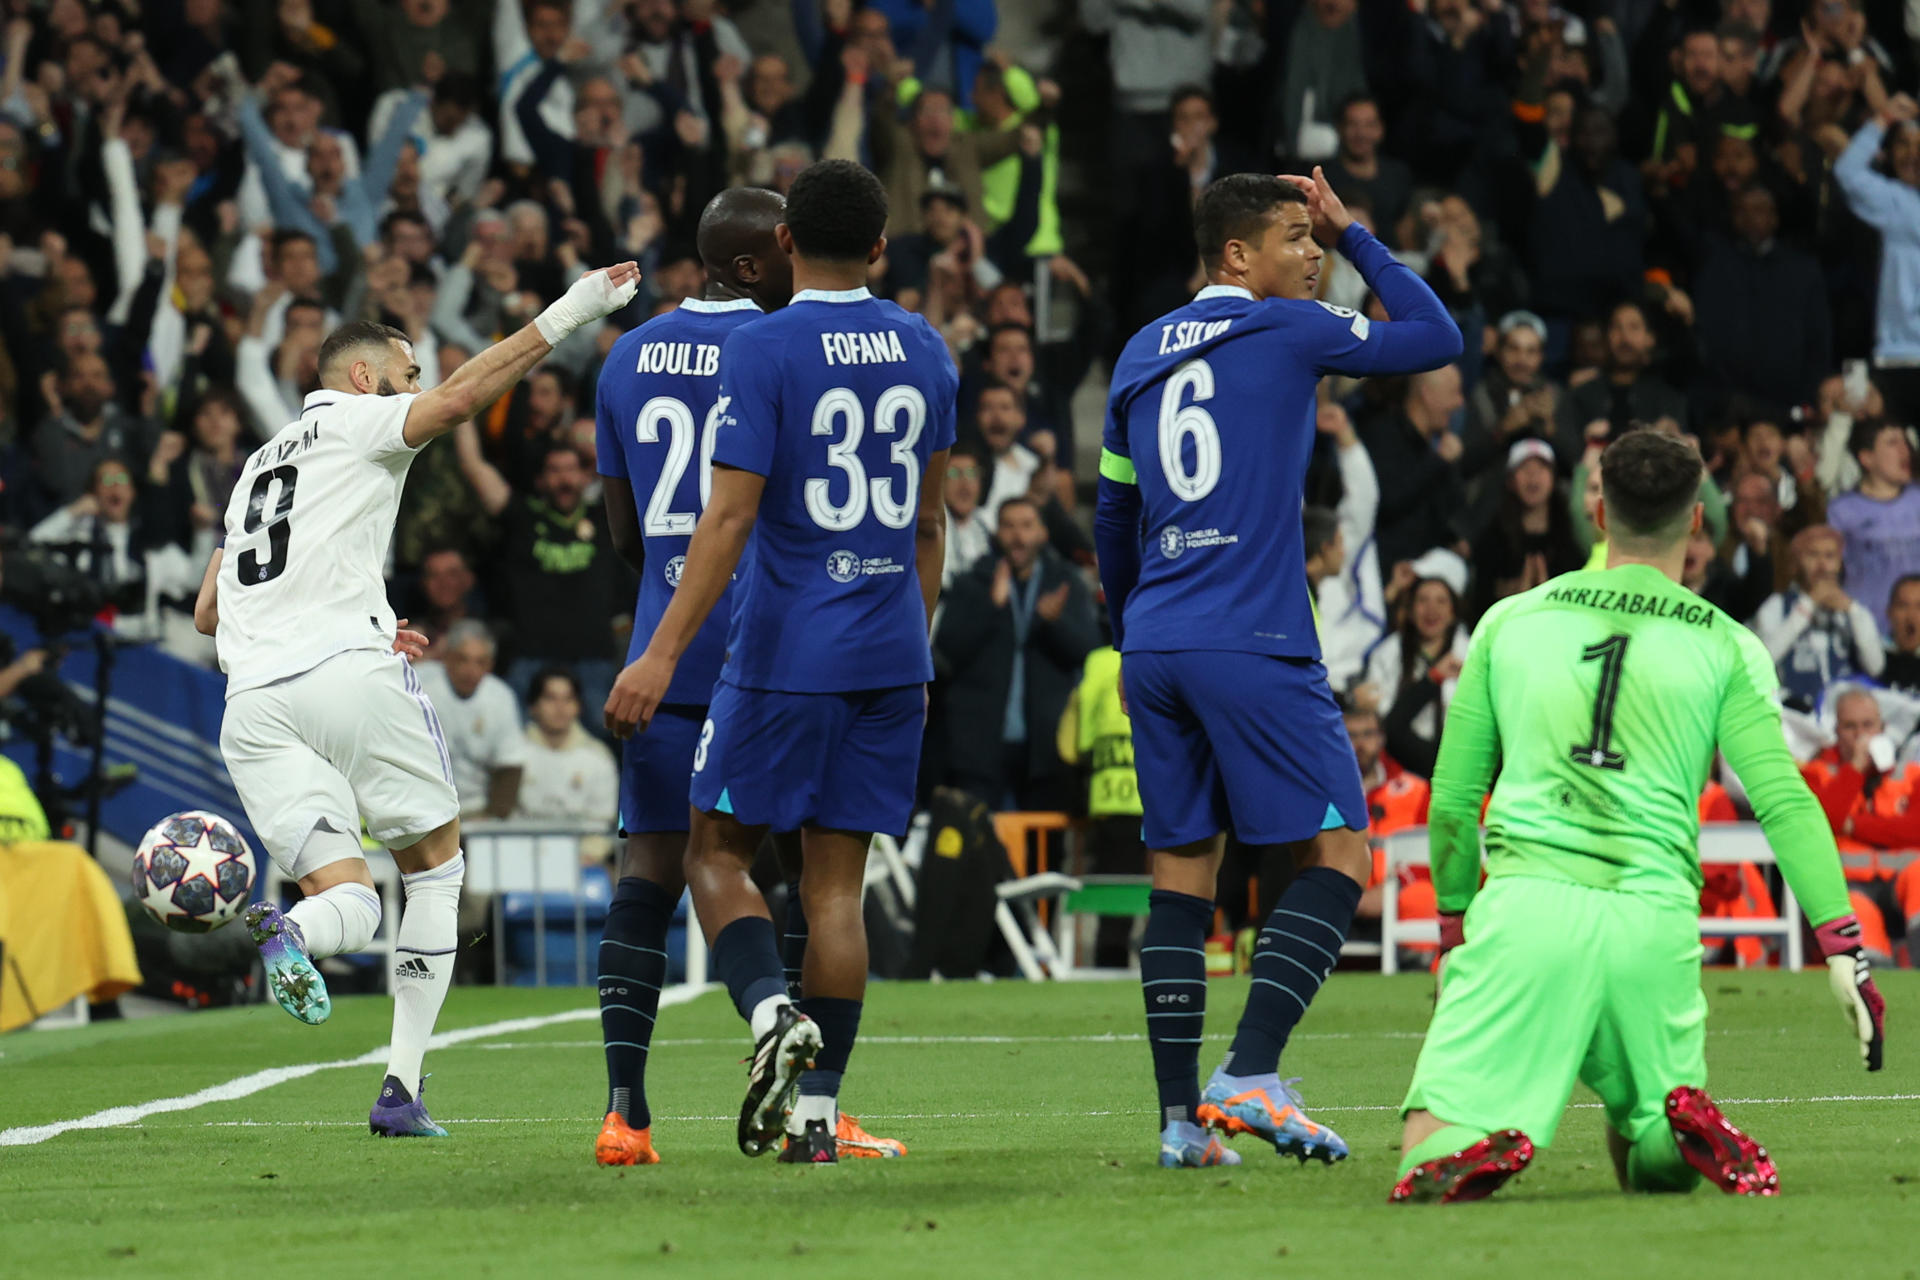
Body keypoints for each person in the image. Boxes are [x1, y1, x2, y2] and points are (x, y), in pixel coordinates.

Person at [192, 260, 639, 1136]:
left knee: (351, 902)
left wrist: (354, 606)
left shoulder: (254, 467)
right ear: (362, 380)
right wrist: (574, 310)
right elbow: (463, 400)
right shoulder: (361, 421)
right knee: (435, 872)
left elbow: (212, 611)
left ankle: (293, 931)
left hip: (252, 704)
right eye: (405, 372)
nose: (417, 385)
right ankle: (400, 1091)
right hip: (343, 678)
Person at [1391, 431, 1884, 1205]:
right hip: (1654, 918)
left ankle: (1474, 1140)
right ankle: (1672, 1132)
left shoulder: (1508, 622)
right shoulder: (1727, 644)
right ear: (1696, 522)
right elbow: (1785, 800)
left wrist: (1455, 931)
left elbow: (1452, 801)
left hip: (1529, 908)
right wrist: (1841, 944)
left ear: (1596, 512)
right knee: (1645, 1138)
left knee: (1428, 1141)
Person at [1095, 169, 1461, 1170]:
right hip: (1253, 637)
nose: (1314, 254)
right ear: (1236, 257)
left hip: (1158, 640)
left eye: (1319, 238)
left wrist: (1135, 625)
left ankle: (1181, 1122)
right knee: (1345, 848)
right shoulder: (1291, 329)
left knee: (1182, 872)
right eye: (1297, 238)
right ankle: (1250, 1069)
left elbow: (1113, 515)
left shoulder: (1136, 351)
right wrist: (1362, 237)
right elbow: (1436, 337)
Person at [604, 160, 956, 1165]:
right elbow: (930, 521)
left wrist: (661, 653)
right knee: (835, 890)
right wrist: (911, 647)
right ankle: (816, 1123)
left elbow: (730, 513)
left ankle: (767, 1013)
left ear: (789, 242)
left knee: (715, 851)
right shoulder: (927, 347)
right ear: (884, 246)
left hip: (785, 649)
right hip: (891, 652)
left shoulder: (764, 345)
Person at [933, 495, 1100, 810]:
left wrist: (1056, 623)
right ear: (997, 533)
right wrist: (989, 608)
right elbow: (946, 653)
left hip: (1045, 749)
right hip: (980, 747)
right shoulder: (973, 583)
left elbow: (1090, 653)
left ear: (1043, 533)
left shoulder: (1064, 583)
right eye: (1009, 526)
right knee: (978, 851)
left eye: (1027, 525)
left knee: (1043, 854)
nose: (1018, 536)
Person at [1752, 525, 1886, 706]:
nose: (1822, 565)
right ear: (1798, 562)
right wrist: (1807, 606)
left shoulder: (1856, 611)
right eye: (1813, 555)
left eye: (1830, 556)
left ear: (1839, 563)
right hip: (1794, 712)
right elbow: (1761, 660)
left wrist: (1852, 611)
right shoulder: (1777, 605)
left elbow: (1875, 666)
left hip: (1845, 714)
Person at [417, 620, 529, 821]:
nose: (471, 670)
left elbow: (509, 766)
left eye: (481, 662)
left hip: (477, 811)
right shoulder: (420, 684)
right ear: (447, 658)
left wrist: (493, 819)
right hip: (422, 806)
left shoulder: (501, 697)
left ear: (491, 665)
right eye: (463, 660)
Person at [1824, 418, 1920, 636]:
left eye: (1905, 441)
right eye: (1892, 442)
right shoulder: (1842, 510)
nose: (1904, 449)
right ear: (1867, 458)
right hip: (1868, 632)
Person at [514, 666, 617, 828]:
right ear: (533, 706)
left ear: (579, 707)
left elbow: (602, 822)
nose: (560, 707)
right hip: (519, 850)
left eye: (568, 699)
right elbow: (503, 815)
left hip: (581, 853)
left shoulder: (599, 757)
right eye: (550, 698)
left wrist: (588, 853)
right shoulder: (512, 753)